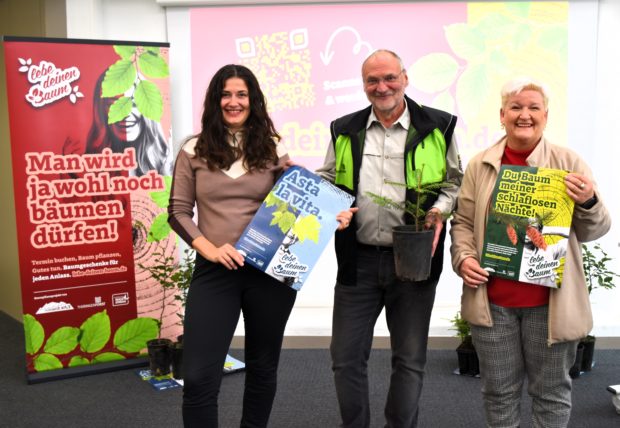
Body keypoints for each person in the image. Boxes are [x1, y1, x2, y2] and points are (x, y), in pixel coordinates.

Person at [168, 64, 354, 427]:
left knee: (262, 368)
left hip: (269, 273)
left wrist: (332, 213)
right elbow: (177, 212)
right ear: (214, 100)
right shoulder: (192, 149)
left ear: (253, 100)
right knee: (199, 376)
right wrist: (209, 249)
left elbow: (297, 203)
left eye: (242, 94)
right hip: (215, 271)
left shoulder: (272, 147)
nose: (233, 102)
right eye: (225, 94)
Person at [450, 77, 611, 427]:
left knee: (551, 394)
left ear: (546, 116)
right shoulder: (480, 165)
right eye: (516, 107)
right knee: (498, 394)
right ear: (502, 115)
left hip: (550, 305)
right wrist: (464, 257)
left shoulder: (568, 162)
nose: (525, 114)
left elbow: (595, 230)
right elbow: (462, 222)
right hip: (493, 303)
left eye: (534, 107)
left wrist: (588, 201)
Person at [316, 49, 463, 427]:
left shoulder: (438, 126)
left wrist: (438, 211)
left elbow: (454, 183)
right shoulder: (344, 128)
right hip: (358, 260)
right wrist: (309, 192)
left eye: (389, 78)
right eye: (372, 80)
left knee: (409, 359)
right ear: (363, 84)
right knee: (345, 358)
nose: (382, 87)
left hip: (413, 258)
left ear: (405, 78)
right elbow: (328, 177)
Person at [64, 72, 172, 177]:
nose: (125, 114)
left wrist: (166, 175)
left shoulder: (166, 160)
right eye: (113, 104)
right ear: (101, 111)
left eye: (134, 104)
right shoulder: (84, 165)